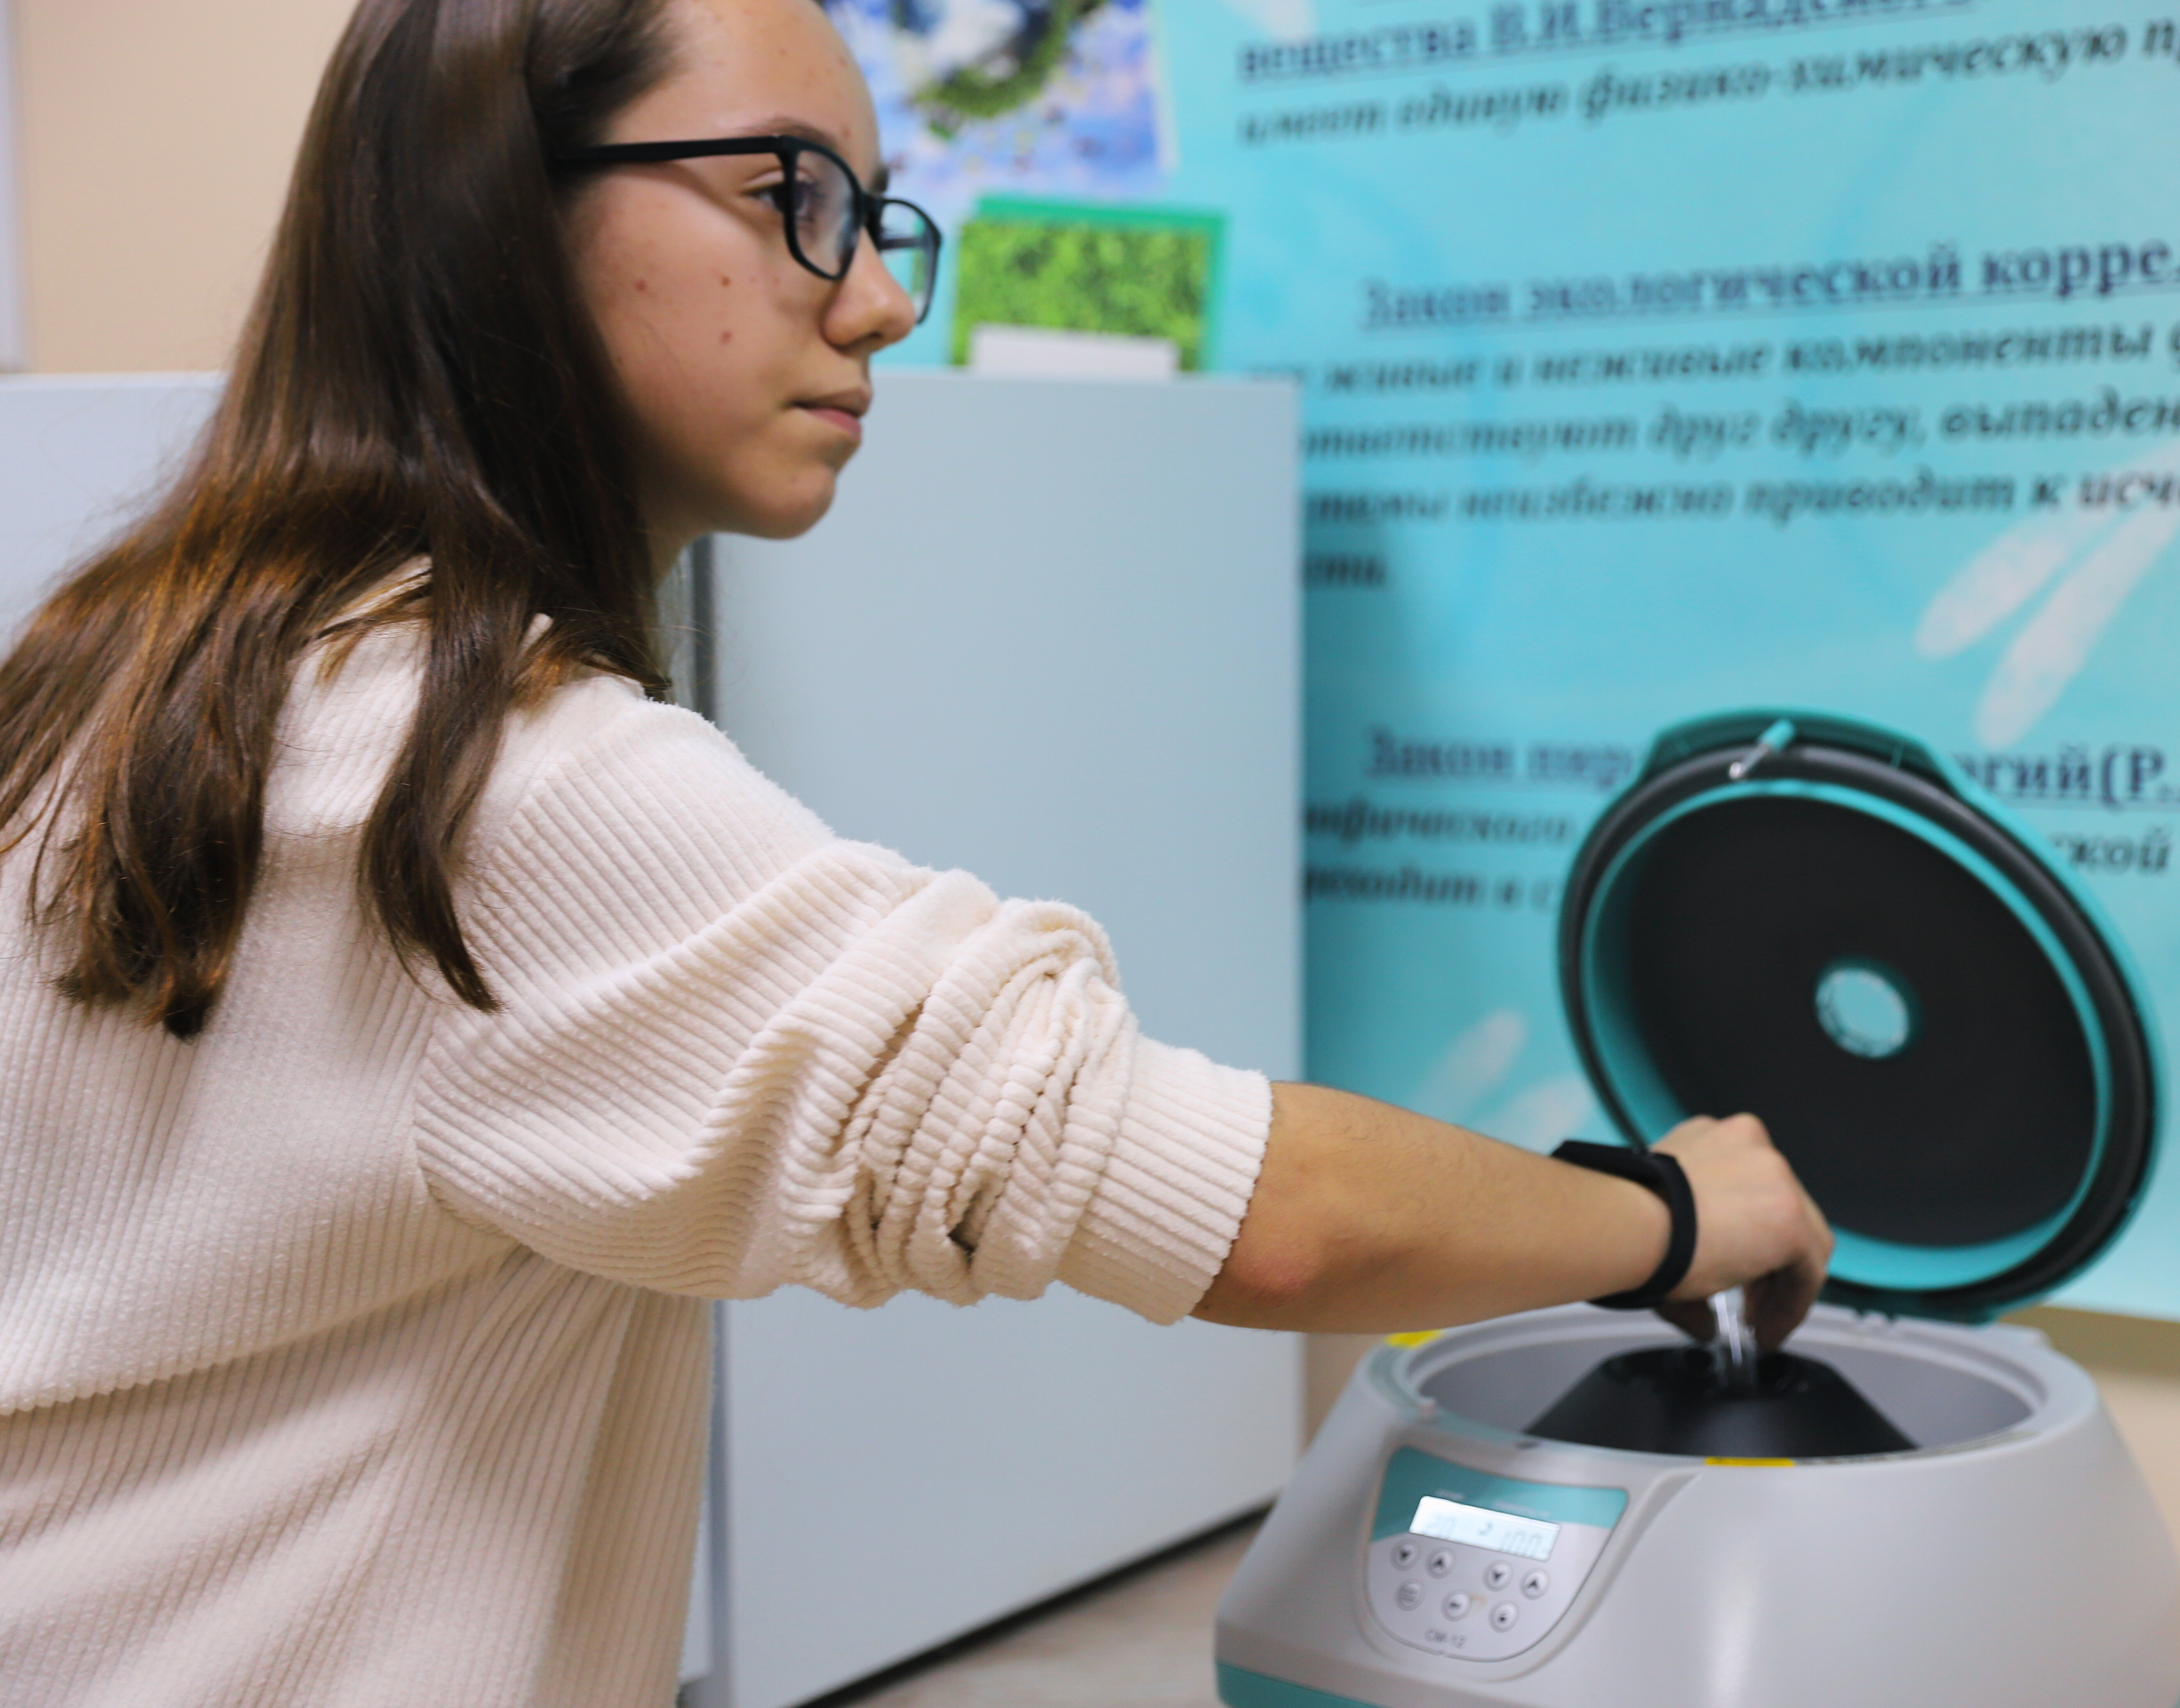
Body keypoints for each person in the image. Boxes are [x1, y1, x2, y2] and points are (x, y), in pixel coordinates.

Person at [0, 0, 1832, 1703]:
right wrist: (1675, 1213)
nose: (876, 301)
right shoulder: (494, 779)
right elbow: (1257, 1217)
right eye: (791, 195)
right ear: (501, 207)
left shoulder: (140, 662)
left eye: (878, 217)